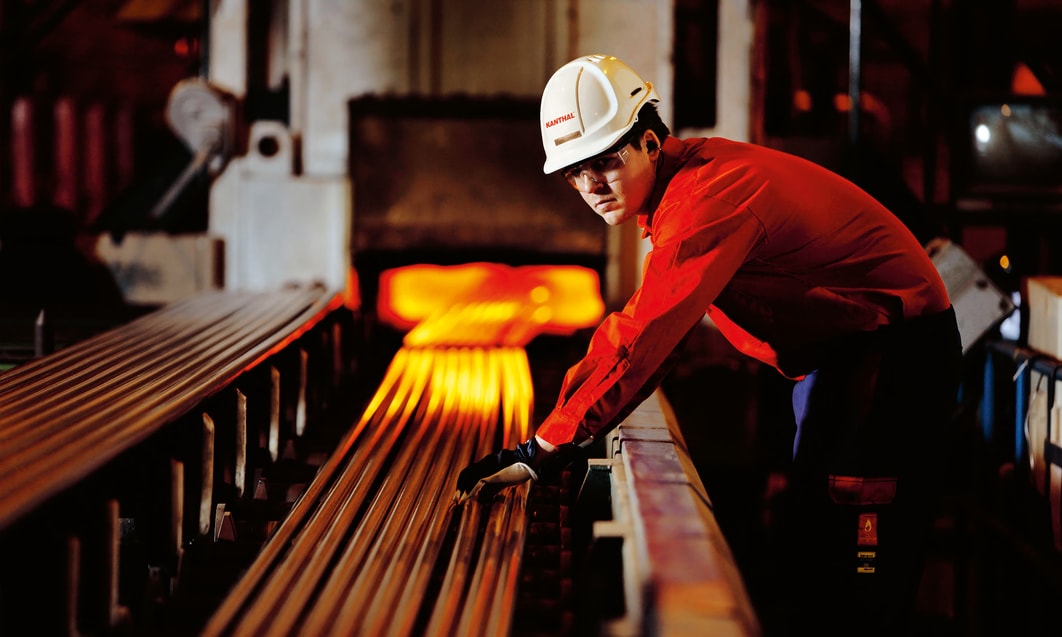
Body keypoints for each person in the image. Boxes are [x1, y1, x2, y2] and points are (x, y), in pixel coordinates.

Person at [455, 54, 962, 635]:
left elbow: (646, 335)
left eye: (604, 163)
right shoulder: (683, 190)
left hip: (894, 356)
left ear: (649, 142)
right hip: (839, 355)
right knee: (811, 536)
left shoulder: (707, 197)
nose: (591, 187)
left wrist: (546, 447)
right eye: (574, 172)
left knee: (858, 553)